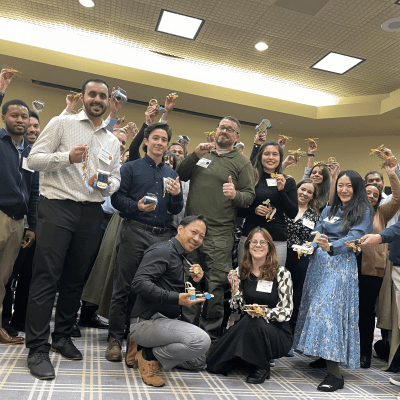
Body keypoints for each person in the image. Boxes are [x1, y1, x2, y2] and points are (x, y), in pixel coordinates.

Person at [25, 78, 121, 380]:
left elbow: (115, 180)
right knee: (46, 278)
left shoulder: (113, 141)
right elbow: (33, 160)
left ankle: (62, 336)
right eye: (92, 94)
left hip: (91, 212)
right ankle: (37, 347)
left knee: (74, 280)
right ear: (82, 97)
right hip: (57, 207)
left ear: (107, 102)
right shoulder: (61, 123)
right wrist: (67, 157)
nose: (97, 99)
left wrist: (102, 183)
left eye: (102, 96)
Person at [107, 122, 183, 362]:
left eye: (164, 140)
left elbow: (176, 208)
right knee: (124, 286)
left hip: (161, 236)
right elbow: (117, 199)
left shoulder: (172, 174)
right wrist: (136, 206)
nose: (160, 143)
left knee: (148, 289)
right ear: (147, 140)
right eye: (156, 138)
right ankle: (115, 339)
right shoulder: (130, 168)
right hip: (134, 231)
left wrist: (175, 195)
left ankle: (136, 341)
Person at [176, 116, 255, 342]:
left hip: (219, 235)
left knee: (214, 286)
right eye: (222, 127)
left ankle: (209, 336)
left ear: (236, 137)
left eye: (231, 130)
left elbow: (249, 196)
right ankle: (187, 332)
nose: (225, 131)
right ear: (216, 130)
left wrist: (235, 195)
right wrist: (194, 154)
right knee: (191, 282)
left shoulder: (242, 163)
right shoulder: (203, 155)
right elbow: (181, 174)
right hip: (192, 233)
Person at [293, 170, 373, 392]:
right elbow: (316, 232)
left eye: (348, 186)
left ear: (356, 188)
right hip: (319, 264)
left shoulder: (364, 210)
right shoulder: (329, 209)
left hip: (340, 265)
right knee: (315, 309)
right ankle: (323, 354)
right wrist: (313, 242)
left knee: (329, 313)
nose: (344, 190)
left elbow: (356, 237)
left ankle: (335, 374)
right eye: (340, 185)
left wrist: (333, 246)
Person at [126, 215, 211, 387]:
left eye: (201, 236)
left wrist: (195, 282)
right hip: (146, 321)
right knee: (201, 341)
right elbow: (139, 283)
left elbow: (173, 290)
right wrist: (176, 299)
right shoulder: (163, 250)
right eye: (194, 232)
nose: (197, 239)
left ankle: (141, 348)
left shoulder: (182, 257)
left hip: (165, 321)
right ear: (180, 229)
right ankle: (147, 355)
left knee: (198, 361)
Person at [207, 227, 293, 384]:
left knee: (253, 320)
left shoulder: (282, 273)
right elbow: (238, 308)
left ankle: (261, 366)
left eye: (262, 242)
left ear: (270, 247)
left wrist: (263, 312)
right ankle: (248, 357)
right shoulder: (241, 271)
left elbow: (286, 312)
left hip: (277, 333)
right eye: (254, 242)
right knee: (214, 365)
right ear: (247, 246)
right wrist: (234, 288)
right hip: (248, 329)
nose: (258, 245)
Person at [0, 99, 39, 344]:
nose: (20, 120)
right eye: (14, 115)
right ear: (4, 117)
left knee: (3, 279)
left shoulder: (30, 152)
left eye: (23, 116)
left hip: (18, 222)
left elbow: (33, 193)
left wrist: (31, 226)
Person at [238, 141, 298, 265]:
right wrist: (254, 210)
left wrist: (281, 190)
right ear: (260, 157)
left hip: (277, 240)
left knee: (274, 280)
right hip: (251, 237)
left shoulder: (288, 181)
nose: (271, 157)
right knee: (245, 279)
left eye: (275, 154)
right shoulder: (250, 178)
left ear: (280, 158)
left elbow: (292, 213)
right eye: (267, 154)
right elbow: (236, 209)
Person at [284, 179, 319, 338]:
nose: (305, 193)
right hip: (282, 255)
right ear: (296, 189)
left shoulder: (314, 215)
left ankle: (290, 335)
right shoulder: (285, 207)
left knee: (296, 296)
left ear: (312, 196)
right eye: (302, 189)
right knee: (279, 292)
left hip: (301, 259)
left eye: (309, 192)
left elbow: (315, 238)